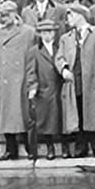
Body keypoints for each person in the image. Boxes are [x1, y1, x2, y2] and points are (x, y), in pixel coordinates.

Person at [0, 0, 38, 160]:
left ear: (14, 14)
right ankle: (11, 149)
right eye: (1, 15)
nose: (3, 19)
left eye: (6, 15)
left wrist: (31, 80)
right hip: (4, 79)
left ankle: (29, 146)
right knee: (6, 115)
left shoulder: (28, 32)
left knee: (22, 113)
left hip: (21, 78)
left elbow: (32, 58)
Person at [55, 4, 95, 158]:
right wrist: (63, 69)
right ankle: (80, 145)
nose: (68, 19)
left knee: (94, 110)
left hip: (92, 78)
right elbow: (59, 57)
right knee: (78, 111)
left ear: (79, 15)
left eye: (70, 16)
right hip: (74, 80)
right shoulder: (66, 38)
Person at [33, 19, 63, 160]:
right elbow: (31, 72)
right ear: (39, 34)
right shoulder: (35, 51)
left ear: (54, 34)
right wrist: (34, 87)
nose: (47, 35)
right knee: (46, 120)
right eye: (44, 32)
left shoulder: (60, 48)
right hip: (44, 89)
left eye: (50, 32)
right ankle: (49, 147)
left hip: (59, 88)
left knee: (62, 118)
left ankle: (65, 147)